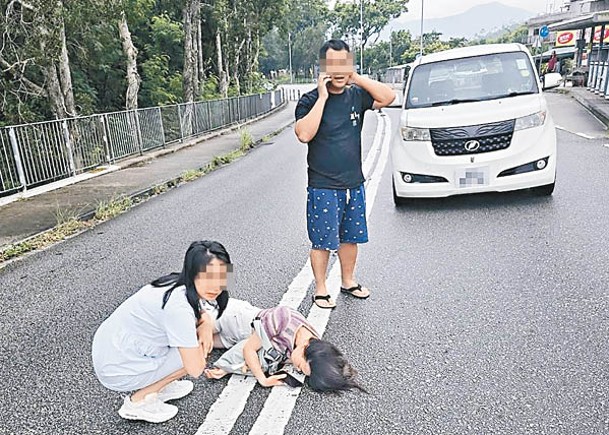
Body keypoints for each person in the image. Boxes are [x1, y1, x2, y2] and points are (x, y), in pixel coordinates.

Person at [294, 39, 395, 309]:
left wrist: (357, 78)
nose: (338, 70)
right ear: (322, 66)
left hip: (354, 183)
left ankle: (348, 280)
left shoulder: (356, 95)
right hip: (323, 185)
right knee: (323, 240)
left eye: (344, 63)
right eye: (332, 64)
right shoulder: (310, 100)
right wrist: (324, 98)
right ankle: (321, 287)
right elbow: (304, 134)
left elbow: (388, 97)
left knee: (351, 238)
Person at [91, 241, 232, 423]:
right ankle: (138, 402)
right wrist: (204, 347)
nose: (216, 286)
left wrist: (205, 323)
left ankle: (160, 385)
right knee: (193, 356)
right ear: (193, 274)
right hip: (117, 366)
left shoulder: (176, 282)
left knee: (193, 339)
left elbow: (199, 313)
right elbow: (195, 369)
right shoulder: (178, 307)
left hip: (113, 347)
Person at [204, 300, 365, 393]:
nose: (297, 369)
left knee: (201, 346)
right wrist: (263, 380)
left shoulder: (311, 342)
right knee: (189, 334)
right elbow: (249, 350)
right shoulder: (282, 320)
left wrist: (228, 368)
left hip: (235, 339)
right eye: (301, 367)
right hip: (231, 319)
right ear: (304, 349)